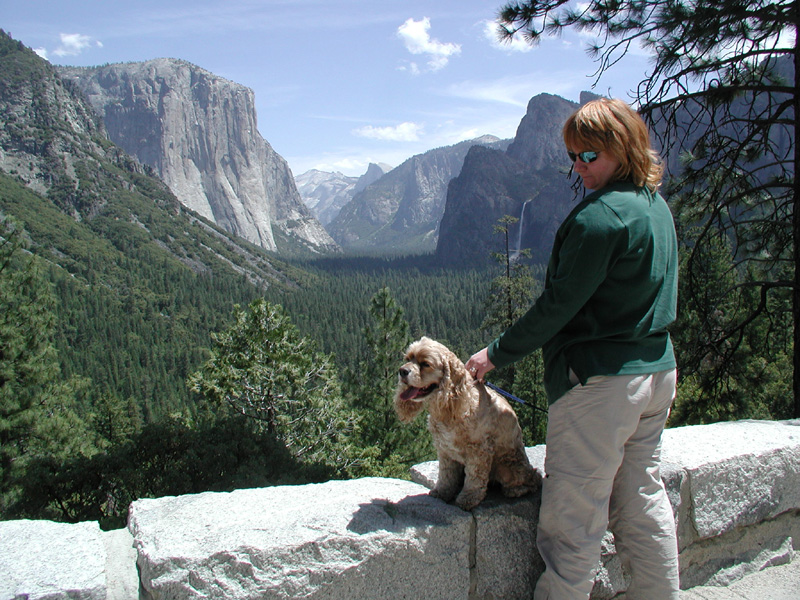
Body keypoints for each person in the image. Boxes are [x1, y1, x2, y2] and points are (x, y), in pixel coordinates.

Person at [465, 97, 680, 600]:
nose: (579, 167)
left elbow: (557, 307)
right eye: (573, 156)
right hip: (656, 375)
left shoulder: (598, 219)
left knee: (573, 523)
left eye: (590, 155)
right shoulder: (656, 208)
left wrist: (492, 354)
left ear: (622, 148)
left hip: (601, 386)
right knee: (641, 497)